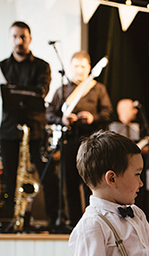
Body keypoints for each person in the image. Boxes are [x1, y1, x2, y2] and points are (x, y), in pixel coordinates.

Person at [0, 21, 51, 219]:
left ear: (29, 38)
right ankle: (11, 219)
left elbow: (42, 92)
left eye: (23, 37)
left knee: (47, 175)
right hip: (9, 130)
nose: (19, 41)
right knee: (10, 178)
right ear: (10, 39)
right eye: (15, 37)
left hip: (36, 129)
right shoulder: (1, 67)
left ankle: (54, 219)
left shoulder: (41, 66)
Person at [47, 51, 114, 228]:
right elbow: (49, 113)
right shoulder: (63, 91)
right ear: (70, 68)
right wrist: (62, 119)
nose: (79, 70)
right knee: (69, 184)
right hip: (69, 142)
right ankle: (75, 223)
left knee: (91, 183)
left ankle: (94, 222)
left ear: (89, 68)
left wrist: (93, 117)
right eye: (76, 66)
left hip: (91, 143)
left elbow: (108, 112)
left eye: (83, 66)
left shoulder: (98, 88)